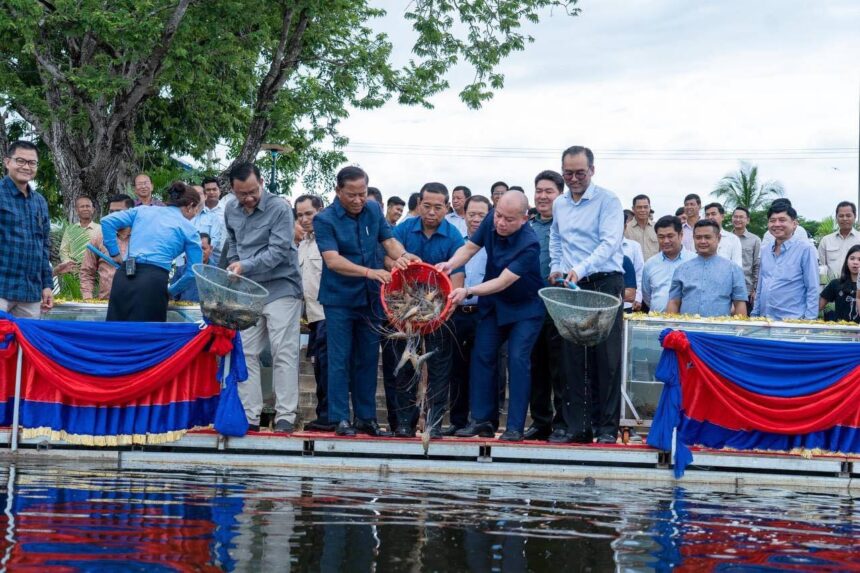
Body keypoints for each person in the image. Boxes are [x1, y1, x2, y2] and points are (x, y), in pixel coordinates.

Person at [313, 166, 417, 437]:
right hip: (339, 300)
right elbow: (332, 260)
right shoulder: (324, 219)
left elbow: (389, 240)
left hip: (370, 299)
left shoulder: (372, 210)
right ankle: (339, 418)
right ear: (338, 191)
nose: (358, 200)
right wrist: (370, 272)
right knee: (339, 358)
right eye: (352, 195)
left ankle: (366, 418)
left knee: (368, 359)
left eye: (362, 194)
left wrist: (405, 256)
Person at [438, 190, 543, 442]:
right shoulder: (492, 220)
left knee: (518, 360)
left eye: (508, 219)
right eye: (498, 216)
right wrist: (450, 264)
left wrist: (469, 290)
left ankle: (515, 426)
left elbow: (504, 281)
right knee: (482, 357)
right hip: (494, 305)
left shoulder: (530, 243)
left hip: (525, 308)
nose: (500, 223)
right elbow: (471, 247)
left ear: (524, 219)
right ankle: (482, 421)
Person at [547, 145, 624, 445]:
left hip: (603, 281)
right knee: (572, 356)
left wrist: (579, 268)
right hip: (571, 285)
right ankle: (578, 427)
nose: (574, 178)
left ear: (592, 170)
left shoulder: (608, 200)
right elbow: (556, 237)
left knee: (606, 358)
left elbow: (609, 243)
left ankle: (606, 429)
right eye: (568, 173)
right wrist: (557, 267)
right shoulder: (560, 204)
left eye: (580, 172)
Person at [223, 162, 304, 433]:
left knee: (283, 351)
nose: (248, 198)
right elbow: (233, 243)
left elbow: (279, 251)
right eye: (241, 193)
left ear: (261, 182)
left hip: (281, 287)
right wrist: (235, 262)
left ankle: (285, 416)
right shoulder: (230, 210)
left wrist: (244, 266)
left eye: (253, 191)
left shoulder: (280, 208)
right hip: (248, 290)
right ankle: (250, 415)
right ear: (232, 191)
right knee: (246, 353)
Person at [388, 182, 465, 438]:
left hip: (440, 312)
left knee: (441, 370)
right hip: (405, 312)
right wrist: (396, 261)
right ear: (419, 205)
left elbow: (458, 277)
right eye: (427, 206)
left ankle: (433, 424)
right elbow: (388, 258)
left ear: (447, 207)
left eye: (438, 207)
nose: (432, 212)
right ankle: (404, 424)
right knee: (404, 367)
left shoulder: (453, 235)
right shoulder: (405, 229)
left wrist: (446, 311)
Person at [101, 181, 202, 322]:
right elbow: (193, 271)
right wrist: (171, 291)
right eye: (197, 209)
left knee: (117, 333)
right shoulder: (189, 229)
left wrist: (115, 254)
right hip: (154, 281)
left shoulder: (143, 210)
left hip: (124, 276)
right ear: (191, 206)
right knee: (147, 336)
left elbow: (106, 222)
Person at [445, 194, 490, 435]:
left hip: (483, 313)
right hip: (457, 313)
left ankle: (481, 420)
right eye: (471, 214)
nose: (475, 219)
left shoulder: (493, 245)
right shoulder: (457, 244)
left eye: (481, 215)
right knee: (457, 369)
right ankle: (458, 420)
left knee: (481, 368)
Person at [525, 171, 565, 440]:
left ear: (560, 194)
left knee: (561, 368)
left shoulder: (568, 225)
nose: (542, 196)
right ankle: (540, 421)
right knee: (535, 368)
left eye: (549, 191)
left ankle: (562, 423)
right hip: (530, 306)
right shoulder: (526, 227)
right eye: (538, 190)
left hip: (562, 306)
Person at [0, 140, 53, 317]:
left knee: (28, 344)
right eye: (20, 161)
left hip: (30, 292)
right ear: (7, 162)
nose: (26, 167)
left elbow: (44, 246)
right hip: (2, 287)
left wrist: (46, 285)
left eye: (32, 163)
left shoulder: (40, 202)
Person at [295, 194, 333, 431]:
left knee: (329, 368)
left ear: (320, 211)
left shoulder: (329, 240)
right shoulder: (303, 244)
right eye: (300, 215)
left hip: (330, 314)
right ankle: (324, 414)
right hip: (313, 318)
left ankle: (329, 416)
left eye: (309, 213)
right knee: (319, 368)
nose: (305, 219)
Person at [665, 220, 748, 317]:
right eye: (698, 237)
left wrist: (738, 330)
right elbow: (674, 302)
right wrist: (671, 329)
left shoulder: (733, 270)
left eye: (707, 237)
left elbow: (739, 304)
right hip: (687, 329)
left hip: (719, 330)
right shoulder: (682, 269)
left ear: (718, 238)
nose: (702, 241)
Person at [752, 202, 819, 320]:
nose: (777, 224)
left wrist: (809, 322)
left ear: (794, 224)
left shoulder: (806, 250)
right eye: (772, 220)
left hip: (792, 322)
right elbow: (761, 287)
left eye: (782, 220)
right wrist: (755, 314)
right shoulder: (766, 250)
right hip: (764, 321)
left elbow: (812, 288)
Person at [80, 195, 135, 299]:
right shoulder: (99, 237)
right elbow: (87, 272)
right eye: (111, 212)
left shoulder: (142, 237)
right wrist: (87, 298)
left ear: (130, 213)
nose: (113, 216)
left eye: (118, 212)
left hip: (137, 303)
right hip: (106, 304)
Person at [641, 216, 695, 313]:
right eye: (661, 237)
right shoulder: (650, 264)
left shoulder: (694, 261)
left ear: (681, 235)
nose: (665, 241)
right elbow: (647, 296)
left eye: (670, 236)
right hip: (657, 322)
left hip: (686, 322)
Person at [818, 201, 860, 281]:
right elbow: (822, 268)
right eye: (841, 216)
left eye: (848, 215)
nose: (844, 219)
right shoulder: (826, 241)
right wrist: (823, 289)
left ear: (855, 216)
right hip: (833, 289)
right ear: (836, 218)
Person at [58, 196, 101, 272]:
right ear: (77, 210)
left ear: (93, 209)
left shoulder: (101, 229)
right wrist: (70, 266)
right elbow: (63, 251)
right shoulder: (70, 230)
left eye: (88, 206)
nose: (85, 209)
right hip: (74, 275)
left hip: (95, 273)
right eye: (82, 206)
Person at [819, 245, 860, 323]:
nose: (855, 262)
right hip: (840, 331)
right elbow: (818, 306)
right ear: (846, 262)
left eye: (859, 259)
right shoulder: (836, 284)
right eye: (852, 258)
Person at [731, 206, 761, 307]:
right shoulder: (726, 238)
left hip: (746, 289)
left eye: (741, 217)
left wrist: (755, 289)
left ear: (747, 220)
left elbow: (757, 265)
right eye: (735, 217)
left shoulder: (755, 240)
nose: (738, 219)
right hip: (727, 288)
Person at [191, 176, 225, 255]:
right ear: (204, 194)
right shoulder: (195, 211)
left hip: (218, 256)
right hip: (194, 252)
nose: (211, 192)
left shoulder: (226, 211)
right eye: (208, 190)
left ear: (219, 191)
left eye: (214, 189)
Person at [703, 202, 743, 268]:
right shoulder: (700, 239)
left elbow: (737, 267)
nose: (710, 217)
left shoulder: (733, 239)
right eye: (707, 215)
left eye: (713, 214)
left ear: (722, 217)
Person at [625, 194, 659, 261]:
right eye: (639, 207)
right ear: (633, 209)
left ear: (649, 208)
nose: (643, 210)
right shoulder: (626, 229)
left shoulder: (657, 228)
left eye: (645, 207)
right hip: (634, 269)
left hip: (654, 269)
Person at [621, 225, 644, 312]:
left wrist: (638, 297)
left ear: (625, 226)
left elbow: (639, 273)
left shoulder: (634, 246)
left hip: (628, 304)